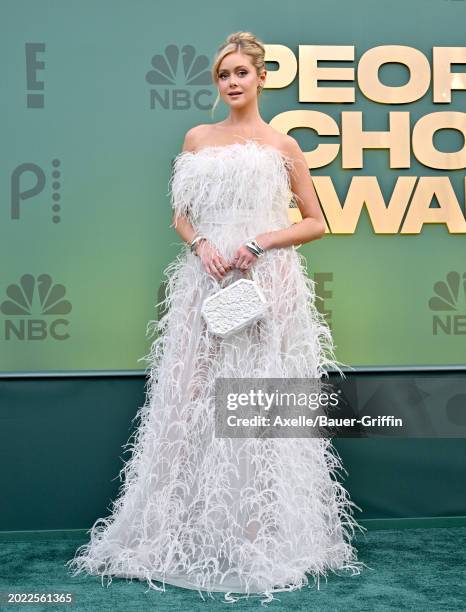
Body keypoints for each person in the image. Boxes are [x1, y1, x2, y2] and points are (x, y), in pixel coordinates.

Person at [65, 31, 368, 604]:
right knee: (188, 397)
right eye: (223, 75)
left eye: (241, 73)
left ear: (261, 78)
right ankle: (168, 534)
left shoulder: (283, 145)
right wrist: (201, 242)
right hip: (204, 282)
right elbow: (181, 215)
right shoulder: (197, 138)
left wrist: (258, 243)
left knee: (255, 402)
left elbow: (315, 222)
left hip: (264, 283)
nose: (232, 82)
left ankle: (258, 534)